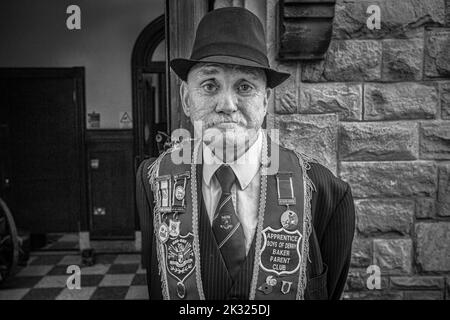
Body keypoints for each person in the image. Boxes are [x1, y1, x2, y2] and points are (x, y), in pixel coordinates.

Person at [136, 7, 355, 300]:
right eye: (210, 85)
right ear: (187, 99)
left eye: (244, 86)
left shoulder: (325, 192)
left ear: (264, 101)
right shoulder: (152, 182)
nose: (227, 104)